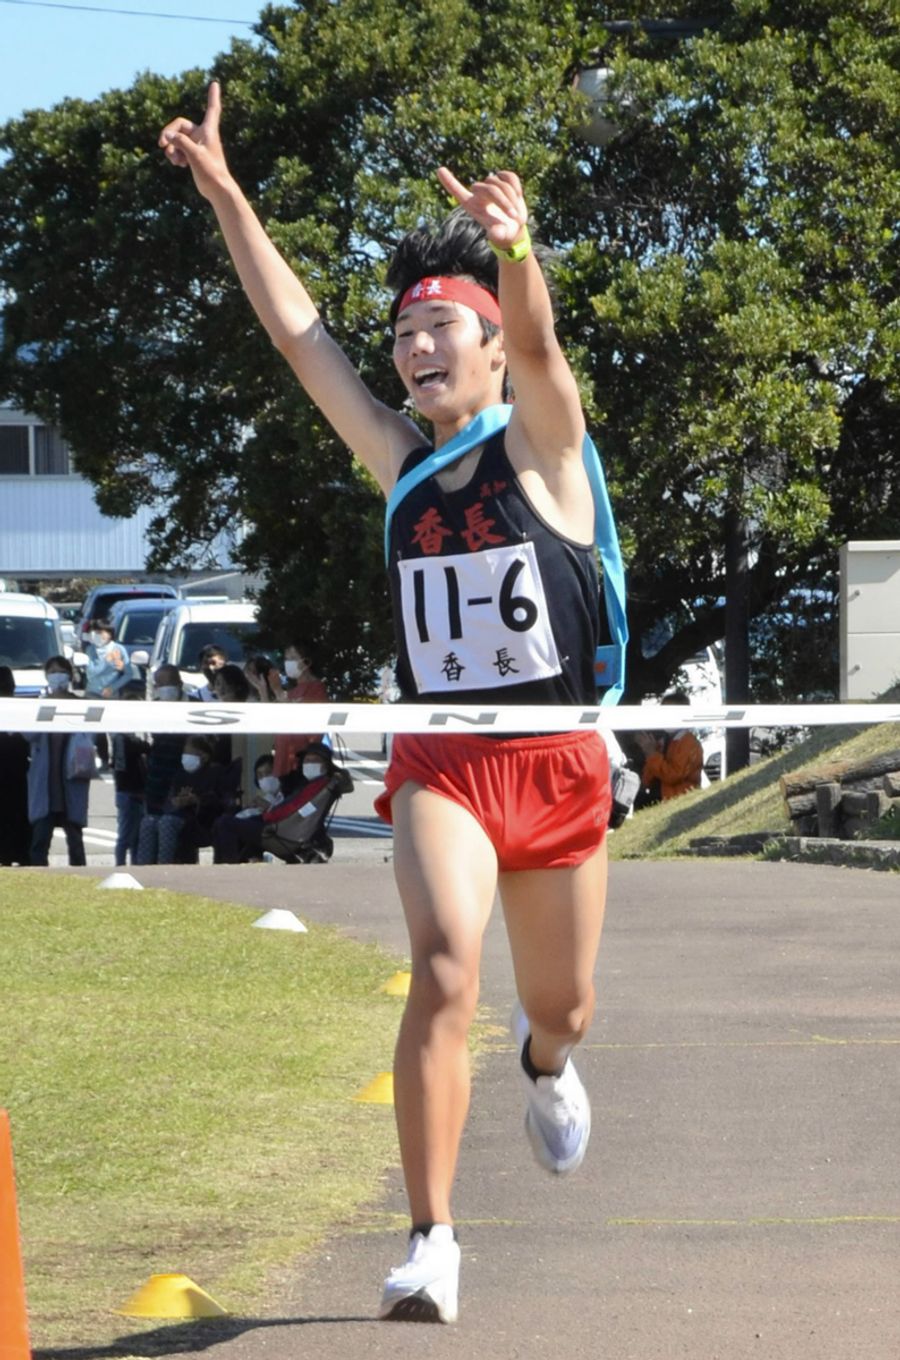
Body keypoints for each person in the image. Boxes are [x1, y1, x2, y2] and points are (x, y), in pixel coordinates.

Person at [161, 84, 612, 1325]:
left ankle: (547, 1063)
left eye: (437, 331)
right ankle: (432, 1238)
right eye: (403, 333)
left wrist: (516, 252)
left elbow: (539, 344)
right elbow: (302, 335)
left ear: (480, 343)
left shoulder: (547, 444)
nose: (413, 350)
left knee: (562, 1006)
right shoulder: (399, 464)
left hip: (562, 759)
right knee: (444, 962)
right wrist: (227, 194)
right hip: (448, 764)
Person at [27, 656, 94, 866]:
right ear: (46, 676)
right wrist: (46, 707)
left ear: (70, 675)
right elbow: (27, 736)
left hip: (72, 780)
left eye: (62, 671)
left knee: (75, 838)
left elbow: (93, 736)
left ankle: (81, 876)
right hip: (45, 782)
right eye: (53, 672)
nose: (58, 676)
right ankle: (38, 877)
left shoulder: (80, 705)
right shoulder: (40, 705)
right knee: (40, 839)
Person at [271, 643, 329, 779]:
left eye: (293, 658)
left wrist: (279, 692)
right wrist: (263, 688)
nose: (288, 662)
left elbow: (310, 727)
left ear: (306, 662)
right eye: (286, 658)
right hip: (282, 759)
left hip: (301, 764)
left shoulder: (317, 689)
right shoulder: (292, 692)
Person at [635, 692, 704, 802]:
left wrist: (651, 753)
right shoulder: (664, 741)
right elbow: (650, 774)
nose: (666, 717)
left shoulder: (689, 742)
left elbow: (673, 775)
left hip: (680, 800)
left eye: (671, 713)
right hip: (660, 798)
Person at [0, 665, 30, 866]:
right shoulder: (23, 710)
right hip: (20, 780)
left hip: (12, 778)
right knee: (18, 818)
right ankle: (19, 855)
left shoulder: (20, 710)